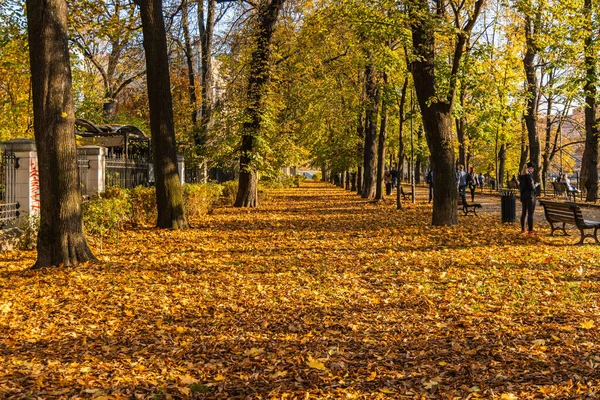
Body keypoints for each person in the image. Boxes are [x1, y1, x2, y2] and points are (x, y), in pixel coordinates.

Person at [519, 162, 537, 234]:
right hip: (530, 196)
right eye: (532, 168)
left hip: (523, 196)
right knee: (530, 214)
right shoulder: (529, 176)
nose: (533, 170)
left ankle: (523, 229)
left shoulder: (521, 176)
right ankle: (530, 230)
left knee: (523, 213)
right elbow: (532, 187)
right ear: (530, 168)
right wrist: (535, 186)